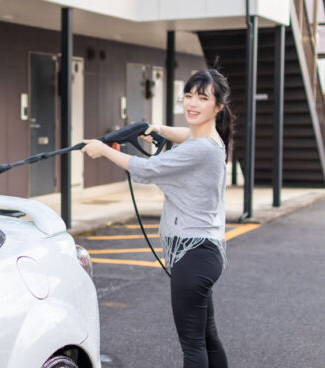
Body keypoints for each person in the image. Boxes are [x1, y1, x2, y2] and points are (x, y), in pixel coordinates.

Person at [81, 68, 233, 368]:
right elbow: (185, 133)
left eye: (202, 98)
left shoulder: (200, 149)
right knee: (207, 336)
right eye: (188, 95)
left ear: (217, 107)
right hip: (205, 253)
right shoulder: (211, 139)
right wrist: (158, 128)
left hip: (193, 256)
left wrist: (104, 150)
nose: (192, 103)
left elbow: (147, 170)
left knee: (192, 346)